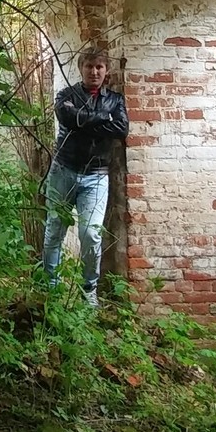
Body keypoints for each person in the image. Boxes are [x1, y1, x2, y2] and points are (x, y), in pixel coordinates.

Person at [41, 49, 129, 307]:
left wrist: (84, 121)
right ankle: (51, 288)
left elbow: (121, 128)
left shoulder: (115, 99)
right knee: (54, 228)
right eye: (89, 66)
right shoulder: (66, 96)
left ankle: (89, 290)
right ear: (81, 69)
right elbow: (68, 116)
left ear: (106, 71)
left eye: (99, 67)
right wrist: (104, 119)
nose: (94, 72)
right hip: (63, 170)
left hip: (96, 175)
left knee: (90, 234)